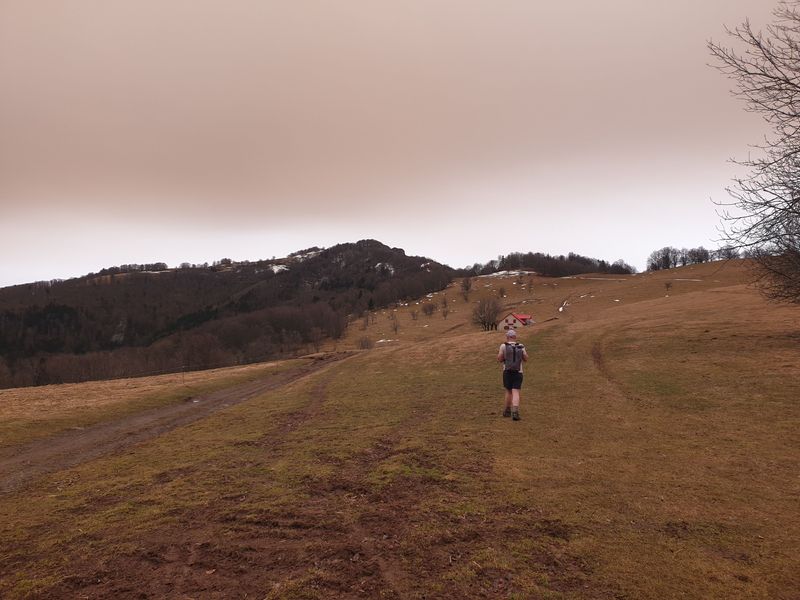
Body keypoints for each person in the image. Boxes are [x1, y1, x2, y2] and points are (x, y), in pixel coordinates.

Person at [498, 328, 528, 421]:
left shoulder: (503, 346)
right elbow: (526, 359)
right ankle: (515, 412)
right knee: (516, 392)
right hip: (518, 372)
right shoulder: (521, 346)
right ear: (515, 337)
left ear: (507, 337)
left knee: (508, 391)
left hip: (507, 372)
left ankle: (507, 411)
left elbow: (499, 359)